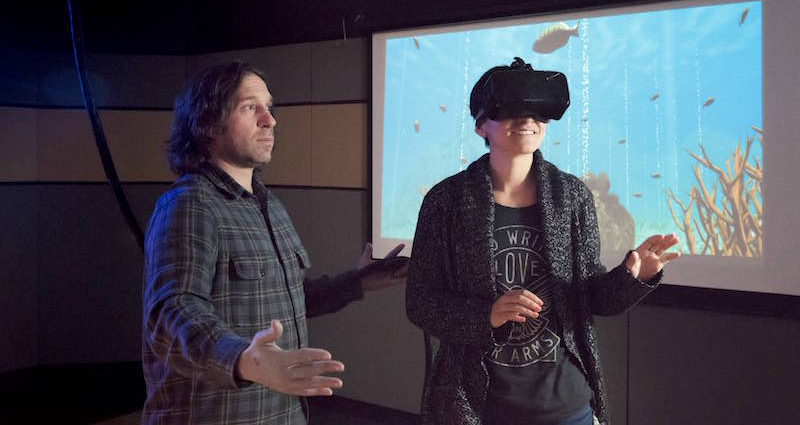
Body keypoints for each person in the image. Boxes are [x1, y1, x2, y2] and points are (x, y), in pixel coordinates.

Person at [405, 57, 680, 425]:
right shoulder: (446, 202)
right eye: (510, 109)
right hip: (476, 408)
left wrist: (632, 279)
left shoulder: (571, 196)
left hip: (566, 408)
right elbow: (421, 303)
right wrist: (486, 315)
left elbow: (591, 298)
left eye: (536, 111)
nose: (526, 119)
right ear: (480, 127)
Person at [142, 61, 407, 425]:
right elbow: (171, 313)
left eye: (269, 108)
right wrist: (243, 359)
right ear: (207, 122)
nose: (270, 120)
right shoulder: (189, 205)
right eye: (251, 107)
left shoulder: (269, 205)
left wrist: (360, 280)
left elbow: (289, 298)